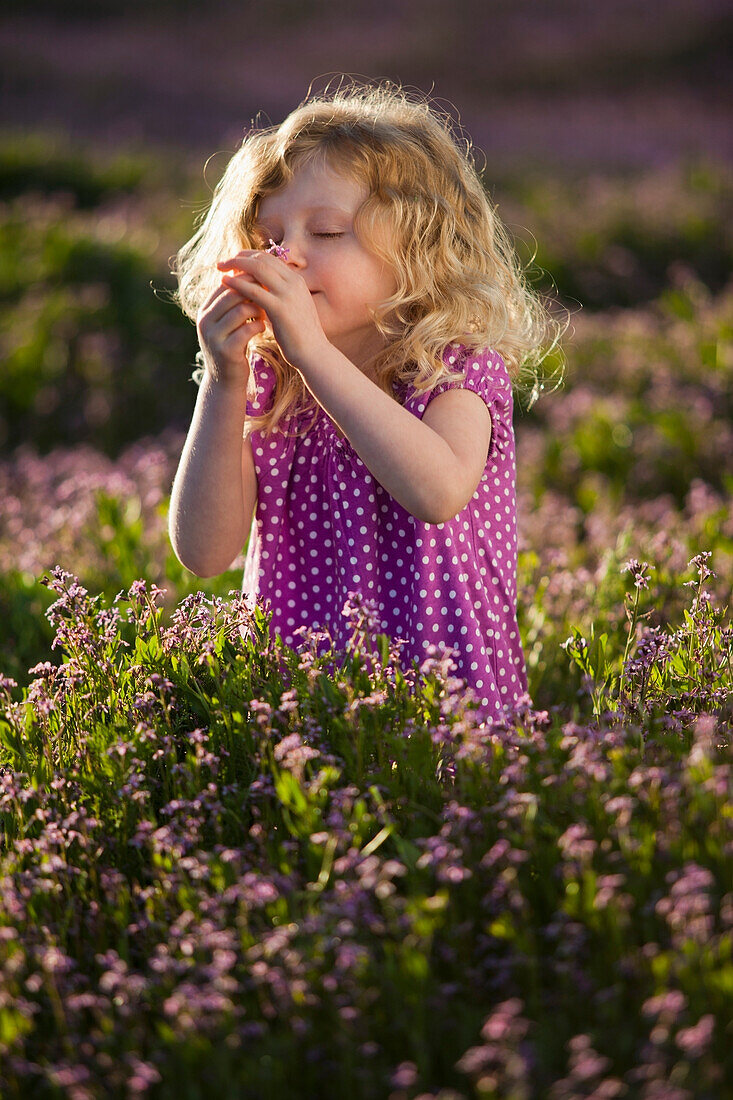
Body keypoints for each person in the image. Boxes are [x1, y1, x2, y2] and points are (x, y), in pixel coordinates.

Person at [169, 79, 563, 720]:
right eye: (268, 236)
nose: (287, 255)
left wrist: (316, 357)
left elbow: (435, 492)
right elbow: (205, 552)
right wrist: (222, 381)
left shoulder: (454, 370)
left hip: (442, 698)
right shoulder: (272, 384)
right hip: (302, 701)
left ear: (419, 250)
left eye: (326, 232)